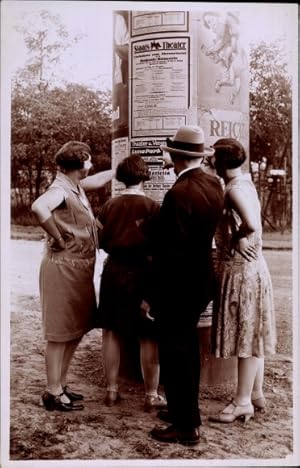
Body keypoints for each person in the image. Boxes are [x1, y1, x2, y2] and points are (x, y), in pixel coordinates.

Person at [146, 125, 224, 445]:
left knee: (175, 353)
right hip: (200, 280)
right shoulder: (212, 183)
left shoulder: (178, 194)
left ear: (175, 156)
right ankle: (183, 410)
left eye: (168, 152)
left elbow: (168, 253)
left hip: (177, 286)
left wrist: (152, 296)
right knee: (187, 348)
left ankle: (186, 427)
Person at [31, 141, 113, 412]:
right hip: (62, 269)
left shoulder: (73, 185)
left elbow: (99, 180)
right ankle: (52, 392)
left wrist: (120, 167)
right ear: (79, 165)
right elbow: (39, 208)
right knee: (58, 334)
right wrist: (57, 235)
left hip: (76, 270)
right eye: (88, 161)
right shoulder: (59, 190)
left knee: (74, 331)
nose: (91, 165)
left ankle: (61, 385)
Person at [208, 138, 276, 423]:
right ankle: (255, 393)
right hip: (252, 269)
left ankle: (242, 401)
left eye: (212, 157)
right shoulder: (244, 183)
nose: (209, 161)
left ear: (221, 162)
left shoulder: (234, 189)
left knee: (245, 335)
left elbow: (251, 223)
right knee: (253, 332)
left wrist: (236, 238)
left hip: (241, 271)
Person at [97, 154, 167, 412]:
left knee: (111, 332)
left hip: (114, 270)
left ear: (121, 177)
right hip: (145, 272)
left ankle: (112, 391)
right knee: (148, 335)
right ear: (144, 176)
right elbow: (161, 246)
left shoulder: (108, 206)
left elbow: (97, 239)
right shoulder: (153, 208)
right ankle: (151, 395)